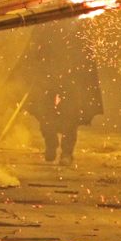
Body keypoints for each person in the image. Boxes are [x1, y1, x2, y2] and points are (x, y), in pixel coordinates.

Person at [17, 19, 102, 166]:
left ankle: (67, 152)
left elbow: (86, 51)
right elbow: (33, 50)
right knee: (45, 113)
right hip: (47, 76)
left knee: (71, 114)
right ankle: (51, 142)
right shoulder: (45, 22)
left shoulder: (79, 24)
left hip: (71, 77)